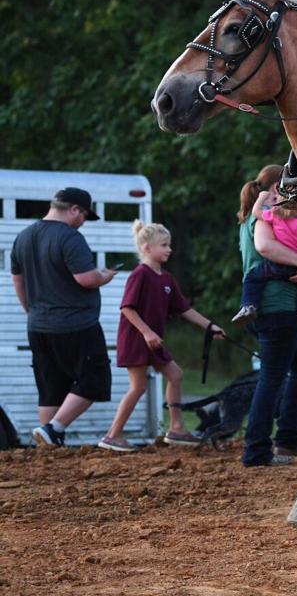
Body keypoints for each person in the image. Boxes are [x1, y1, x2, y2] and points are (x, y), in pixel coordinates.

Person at [99, 220, 227, 452]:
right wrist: (147, 332)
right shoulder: (140, 275)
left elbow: (184, 309)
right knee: (138, 387)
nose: (169, 249)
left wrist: (211, 327)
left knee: (175, 375)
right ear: (147, 248)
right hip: (137, 338)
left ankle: (176, 428)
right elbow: (127, 308)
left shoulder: (166, 279)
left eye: (169, 245)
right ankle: (112, 435)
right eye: (164, 245)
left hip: (154, 340)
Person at [10, 187, 117, 447]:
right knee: (94, 378)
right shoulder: (69, 237)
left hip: (38, 326)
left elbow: (18, 280)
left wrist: (30, 311)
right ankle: (54, 428)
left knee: (50, 386)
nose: (82, 223)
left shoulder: (23, 237)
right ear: (73, 209)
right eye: (83, 216)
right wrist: (105, 274)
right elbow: (86, 278)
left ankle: (48, 447)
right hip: (76, 324)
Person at [237, 164, 297, 467]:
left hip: (271, 308)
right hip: (276, 307)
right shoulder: (264, 219)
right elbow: (265, 246)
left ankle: (289, 438)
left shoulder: (248, 218)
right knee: (270, 378)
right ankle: (256, 451)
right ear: (275, 189)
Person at [231, 189, 297, 331]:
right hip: (294, 268)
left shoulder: (273, 215)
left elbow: (256, 212)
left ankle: (248, 306)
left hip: (275, 264)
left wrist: (261, 198)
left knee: (252, 278)